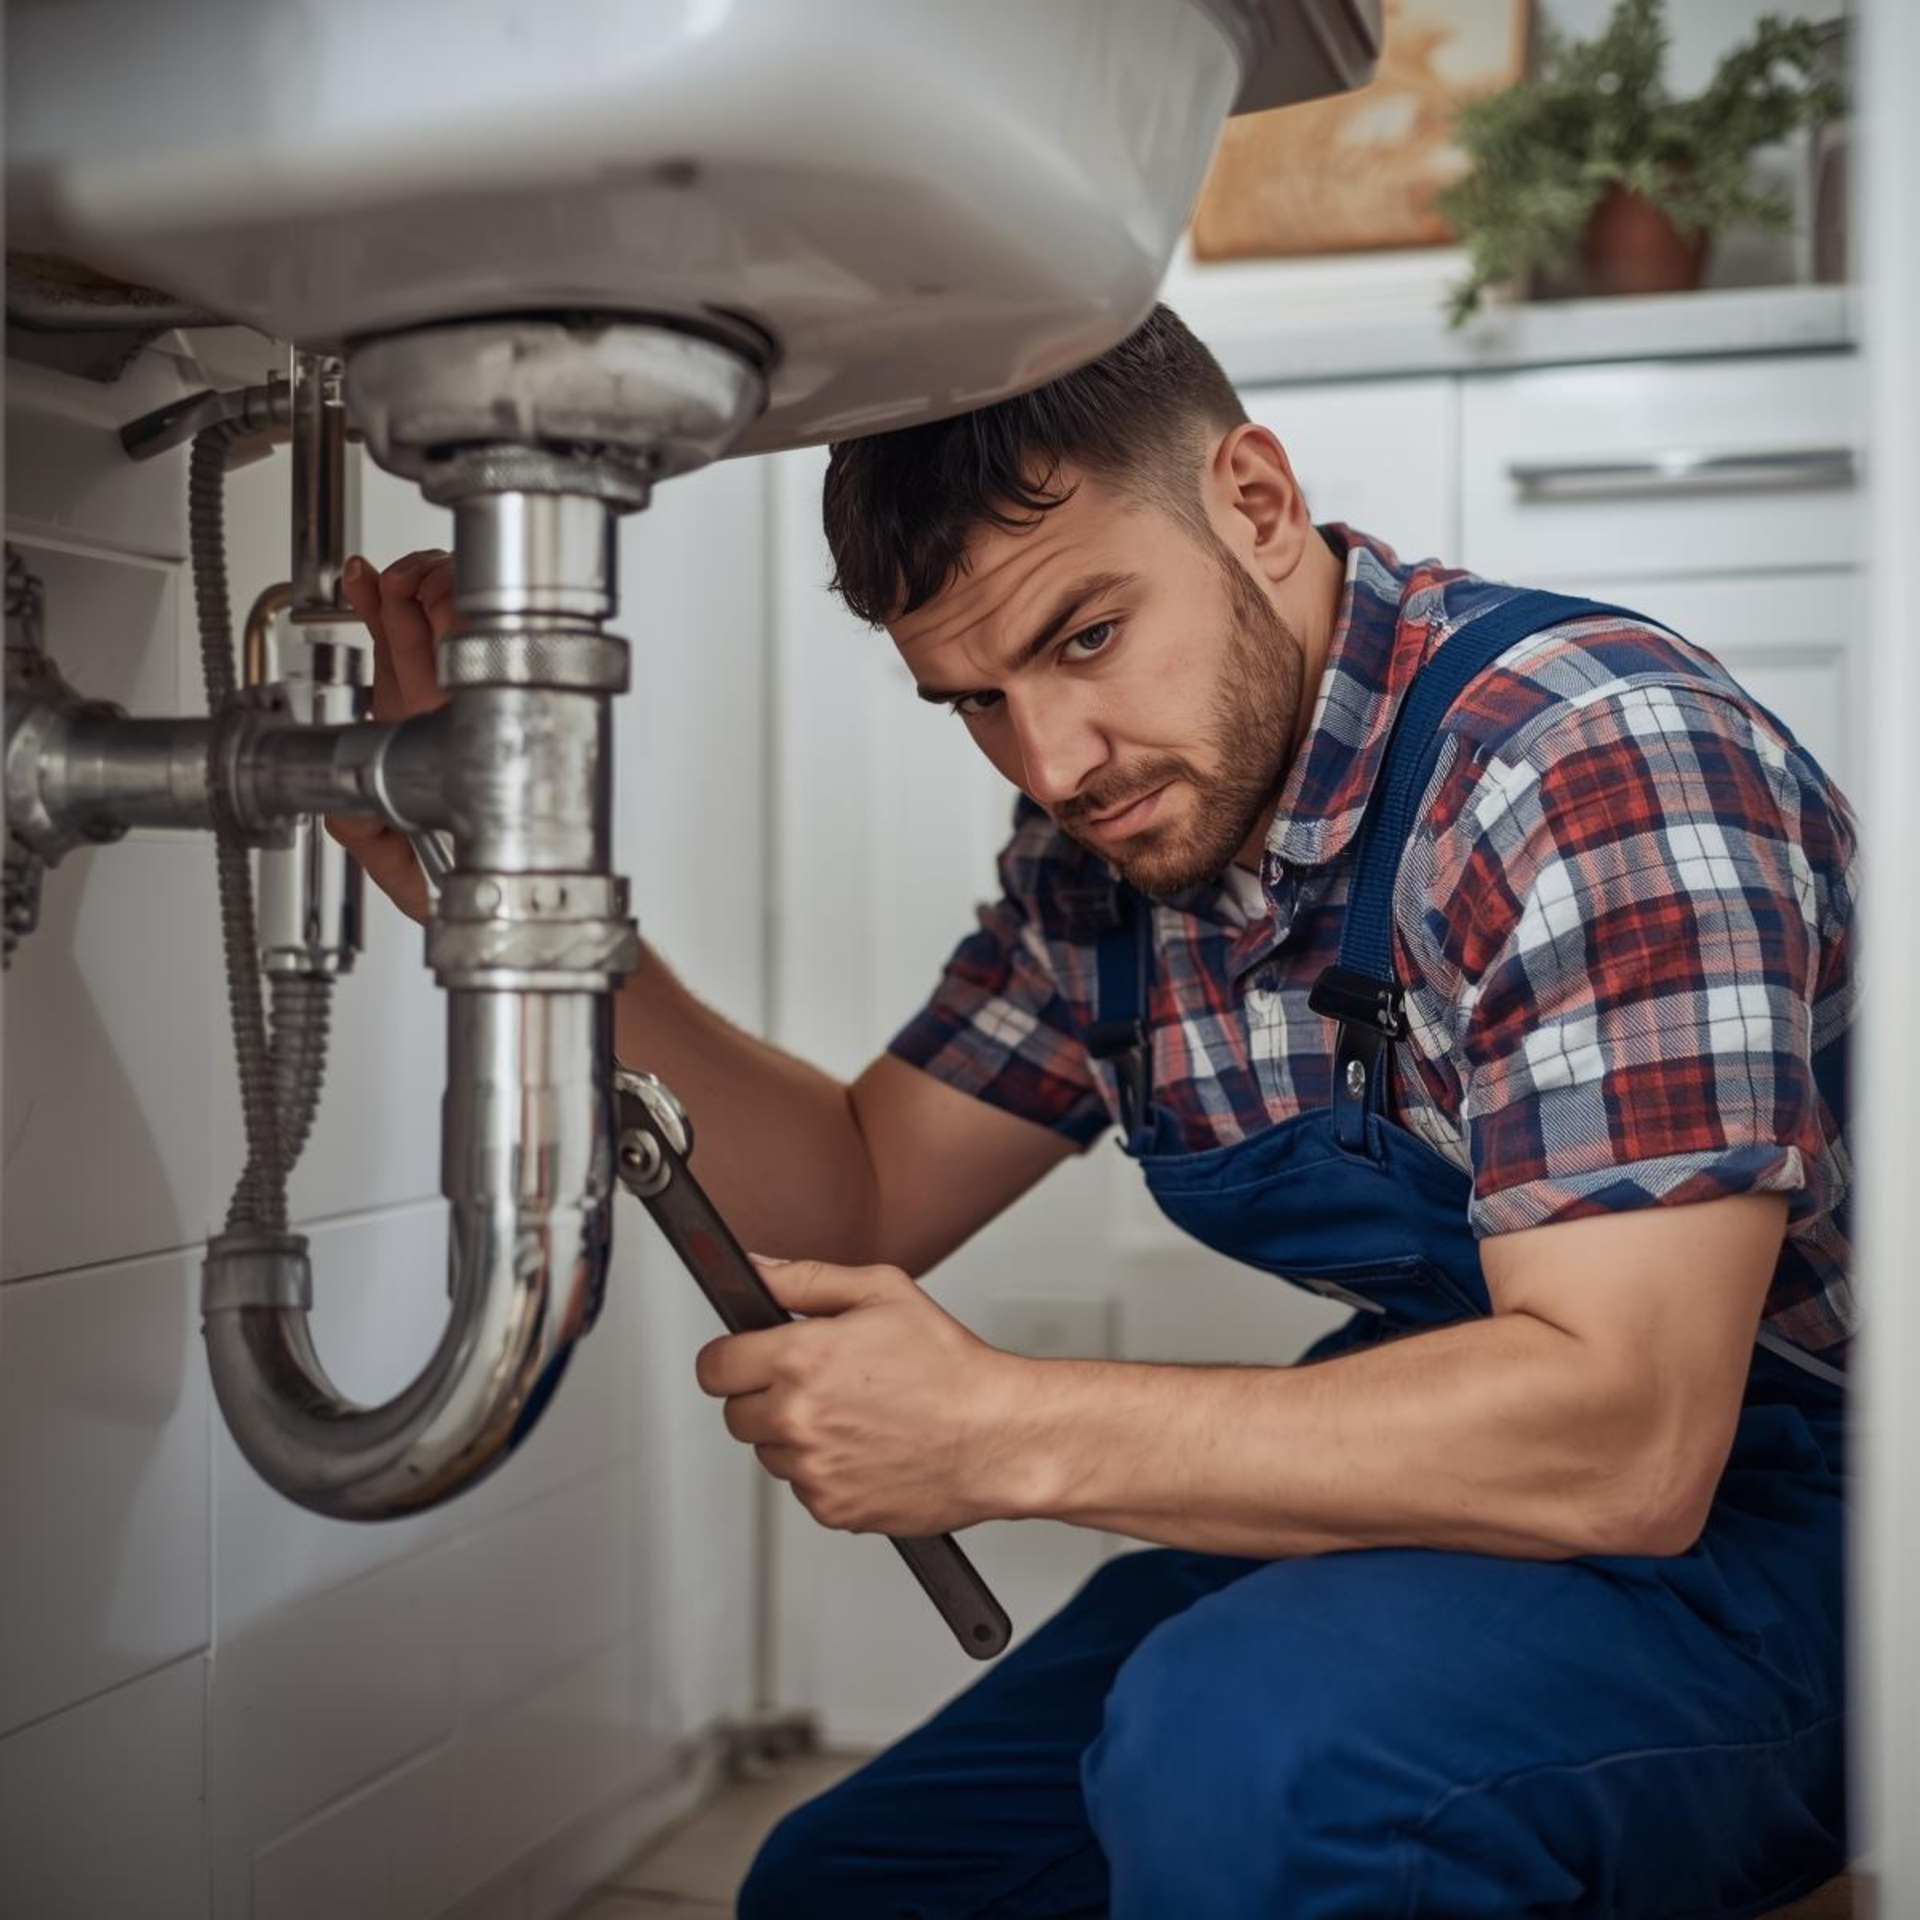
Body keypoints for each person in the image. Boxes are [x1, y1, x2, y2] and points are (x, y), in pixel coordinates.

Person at [337, 306, 1855, 1919]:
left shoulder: (1581, 759)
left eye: (1083, 637)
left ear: (1256, 505)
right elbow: (852, 1199)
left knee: (1261, 1756)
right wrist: (509, 888)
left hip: (1829, 1511)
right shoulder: (1109, 857)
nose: (1054, 761)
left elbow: (1627, 1439)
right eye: (974, 698)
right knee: (864, 1886)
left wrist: (999, 1429)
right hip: (1488, 1455)